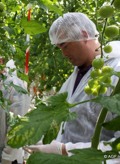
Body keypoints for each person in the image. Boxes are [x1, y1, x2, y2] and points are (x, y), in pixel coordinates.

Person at [24, 12, 120, 162]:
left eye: (65, 45)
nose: (63, 53)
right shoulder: (76, 76)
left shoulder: (115, 73)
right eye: (58, 47)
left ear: (84, 34)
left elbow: (117, 150)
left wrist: (65, 150)